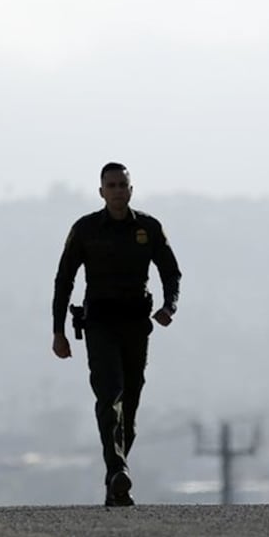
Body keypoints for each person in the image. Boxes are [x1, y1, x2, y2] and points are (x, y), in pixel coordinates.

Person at [51, 162, 182, 507]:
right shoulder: (86, 230)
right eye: (111, 186)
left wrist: (170, 307)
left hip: (137, 325)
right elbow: (64, 280)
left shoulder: (149, 228)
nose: (117, 191)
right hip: (100, 325)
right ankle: (118, 471)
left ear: (131, 189)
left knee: (131, 409)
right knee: (110, 397)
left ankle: (114, 479)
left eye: (122, 185)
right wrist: (58, 332)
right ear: (101, 192)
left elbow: (171, 272)